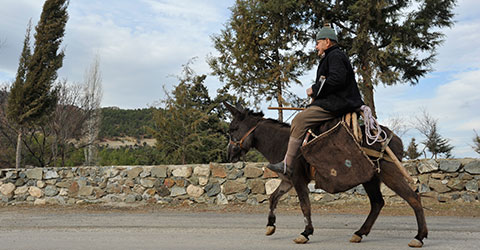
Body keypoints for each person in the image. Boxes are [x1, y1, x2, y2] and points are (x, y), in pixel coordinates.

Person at [267, 24, 364, 176]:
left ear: (327, 41)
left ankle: (287, 165)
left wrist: (314, 89)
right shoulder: (333, 56)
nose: (316, 46)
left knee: (299, 121)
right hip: (336, 101)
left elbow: (337, 80)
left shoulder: (335, 56)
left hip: (338, 103)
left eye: (318, 42)